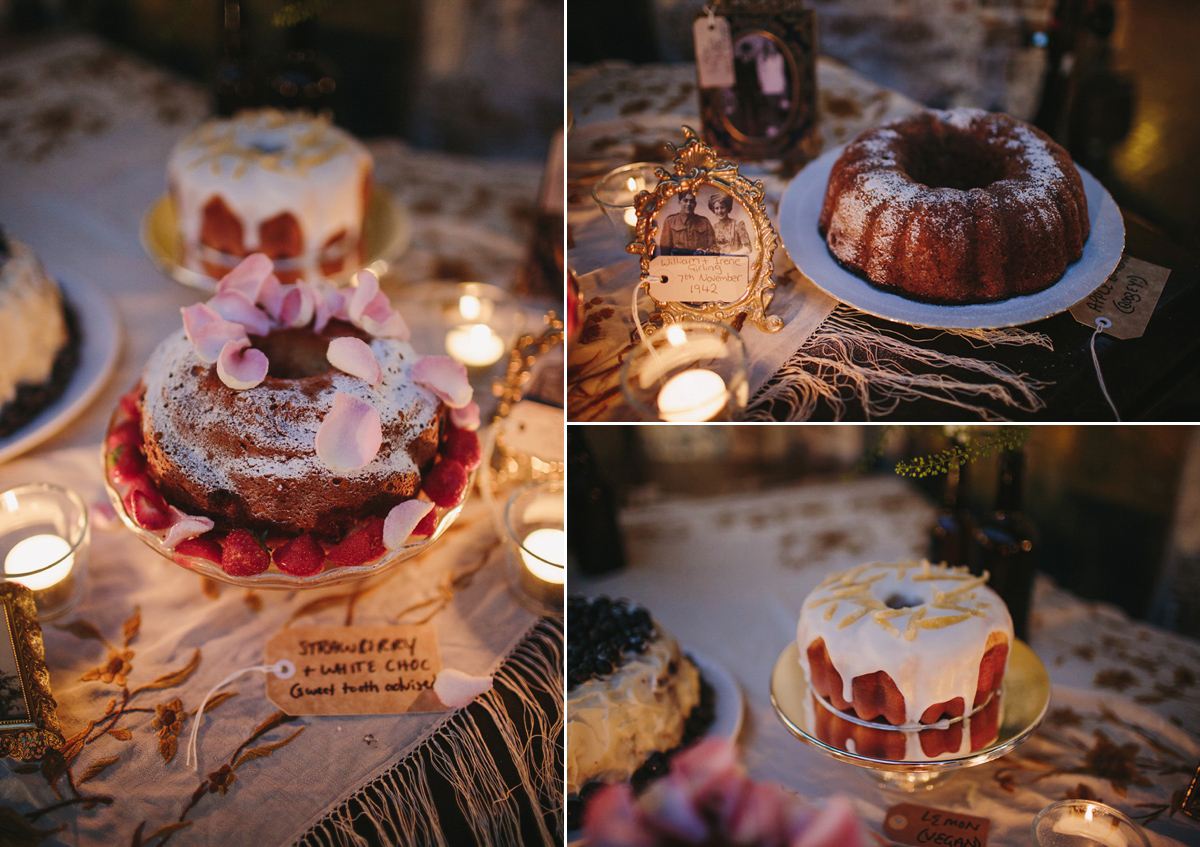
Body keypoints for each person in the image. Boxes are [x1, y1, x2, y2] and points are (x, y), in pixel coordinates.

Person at [658, 190, 715, 255]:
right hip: (677, 263)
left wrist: (704, 252)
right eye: (685, 200)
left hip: (700, 262)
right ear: (679, 202)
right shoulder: (670, 221)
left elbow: (714, 247)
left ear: (695, 204)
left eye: (691, 201)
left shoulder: (704, 222)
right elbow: (665, 251)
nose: (688, 204)